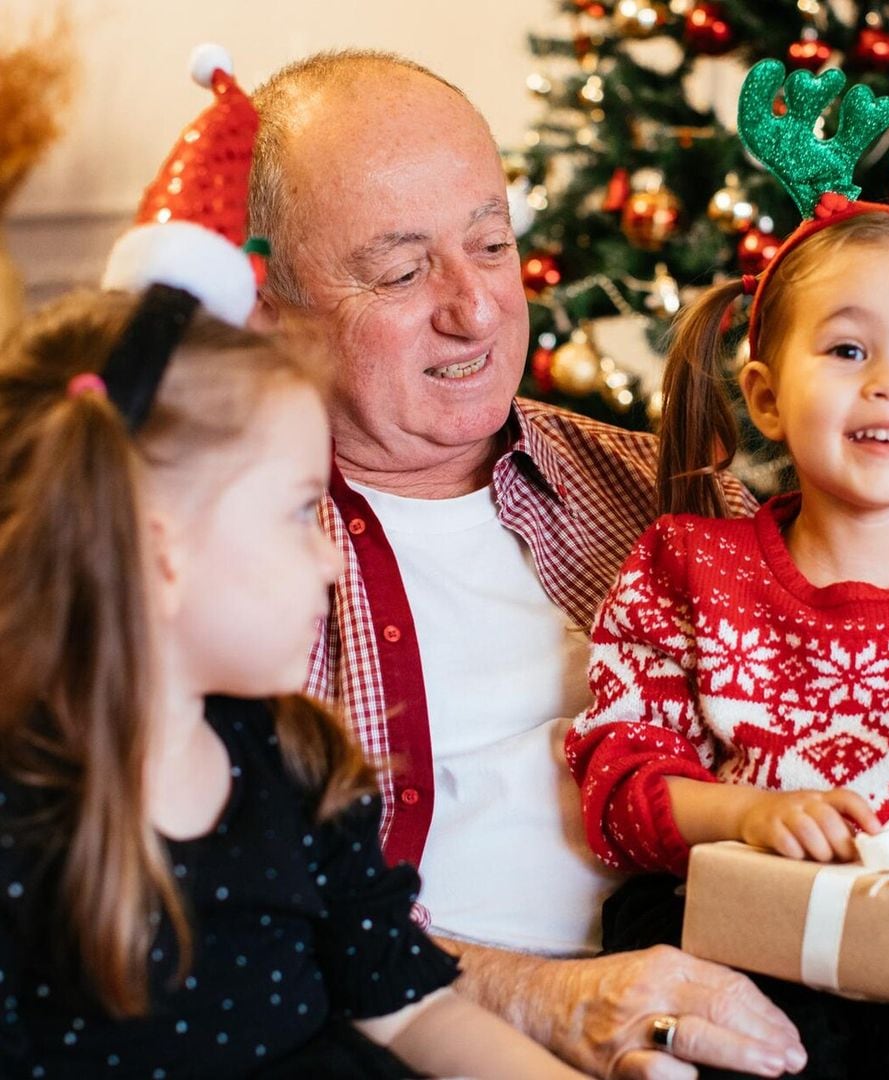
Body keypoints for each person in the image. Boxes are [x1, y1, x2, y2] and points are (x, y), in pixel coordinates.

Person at [249, 48, 807, 1079]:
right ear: (271, 307)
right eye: (404, 270)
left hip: (744, 1000)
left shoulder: (670, 496)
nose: (474, 307)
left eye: (491, 244)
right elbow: (220, 921)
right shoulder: (228, 562)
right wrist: (543, 998)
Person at [0, 285, 602, 1079]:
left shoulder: (292, 759)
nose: (328, 556)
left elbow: (409, 1008)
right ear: (161, 555)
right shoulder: (25, 824)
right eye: (296, 513)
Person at [566, 191, 889, 1073]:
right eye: (847, 350)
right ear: (765, 395)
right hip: (746, 921)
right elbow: (620, 791)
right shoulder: (685, 562)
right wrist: (754, 813)